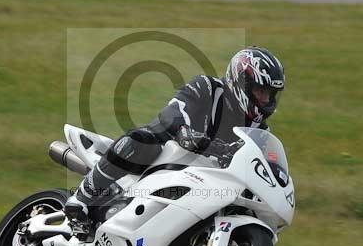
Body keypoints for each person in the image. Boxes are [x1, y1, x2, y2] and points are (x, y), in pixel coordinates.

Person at [64, 46, 285, 235]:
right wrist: (186, 131)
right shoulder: (207, 88)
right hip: (169, 156)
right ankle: (83, 198)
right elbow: (173, 114)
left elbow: (259, 167)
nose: (265, 99)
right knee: (145, 139)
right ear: (242, 82)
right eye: (260, 90)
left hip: (204, 180)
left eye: (270, 94)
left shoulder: (260, 131)